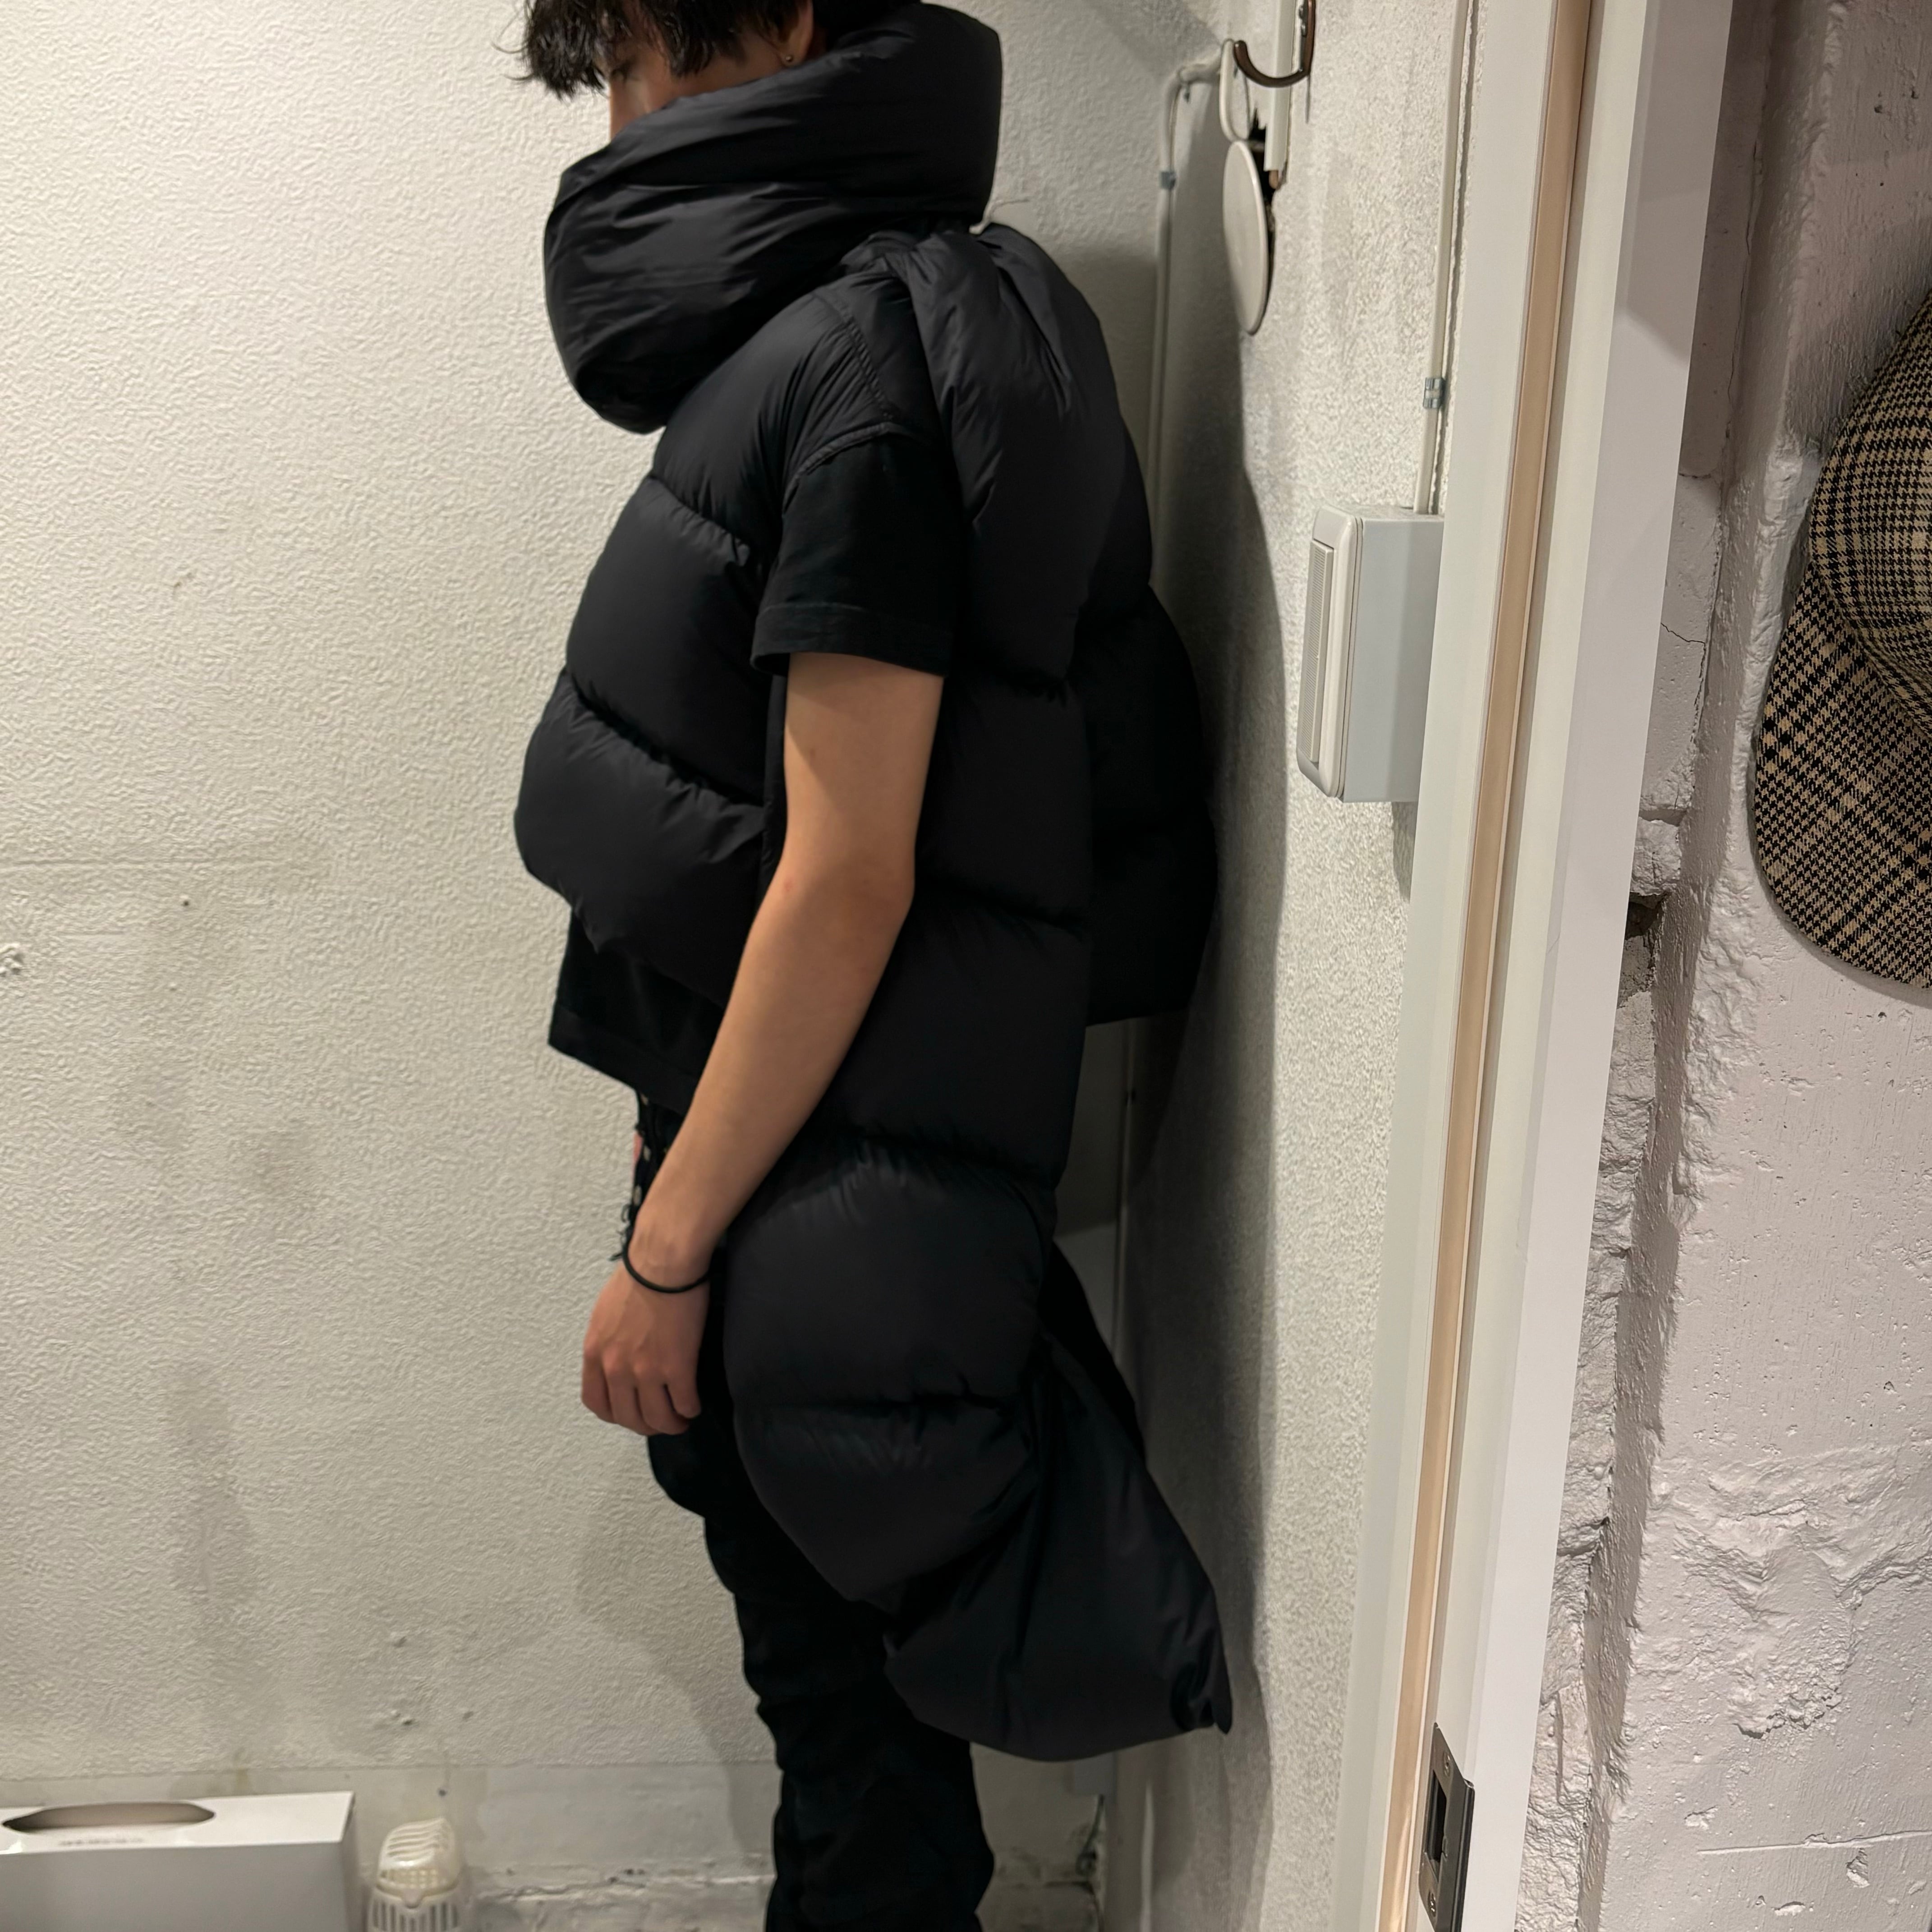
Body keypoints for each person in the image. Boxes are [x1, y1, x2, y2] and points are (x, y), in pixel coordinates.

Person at [514, 4, 1228, 1926]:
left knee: (853, 1730)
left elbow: (846, 878)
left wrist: (668, 1256)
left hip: (804, 1177)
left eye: (637, 63)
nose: (617, 128)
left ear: (780, 24)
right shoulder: (870, 328)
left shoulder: (859, 362)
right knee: (851, 1712)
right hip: (825, 1146)